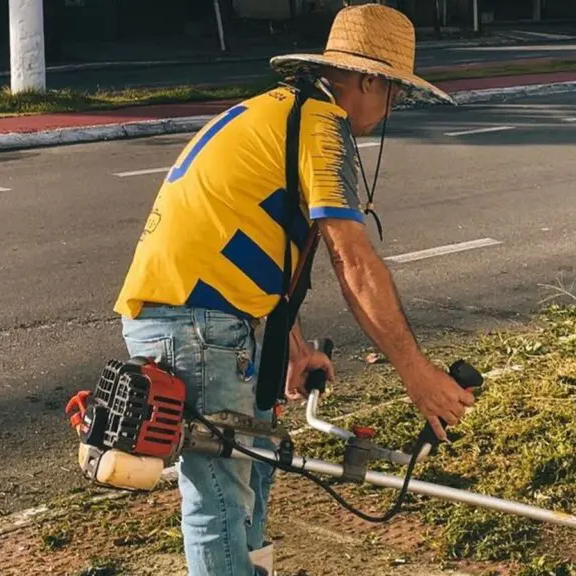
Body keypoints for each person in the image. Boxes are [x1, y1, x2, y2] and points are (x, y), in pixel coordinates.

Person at [111, 4, 476, 576]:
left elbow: (254, 239)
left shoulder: (279, 111)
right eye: (395, 93)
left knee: (253, 465)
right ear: (367, 80)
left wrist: (295, 347)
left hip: (196, 315)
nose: (393, 106)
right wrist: (418, 376)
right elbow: (352, 260)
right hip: (195, 323)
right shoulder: (321, 128)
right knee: (219, 496)